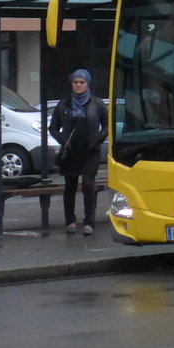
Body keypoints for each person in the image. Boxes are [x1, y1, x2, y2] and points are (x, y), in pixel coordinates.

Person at [48, 68, 109, 234]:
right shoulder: (64, 104)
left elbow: (107, 125)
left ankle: (89, 221)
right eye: (75, 82)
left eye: (82, 82)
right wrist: (63, 141)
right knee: (70, 186)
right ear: (72, 84)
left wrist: (98, 139)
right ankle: (70, 220)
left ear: (87, 84)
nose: (78, 85)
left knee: (89, 186)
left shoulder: (97, 103)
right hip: (71, 151)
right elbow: (52, 128)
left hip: (90, 150)